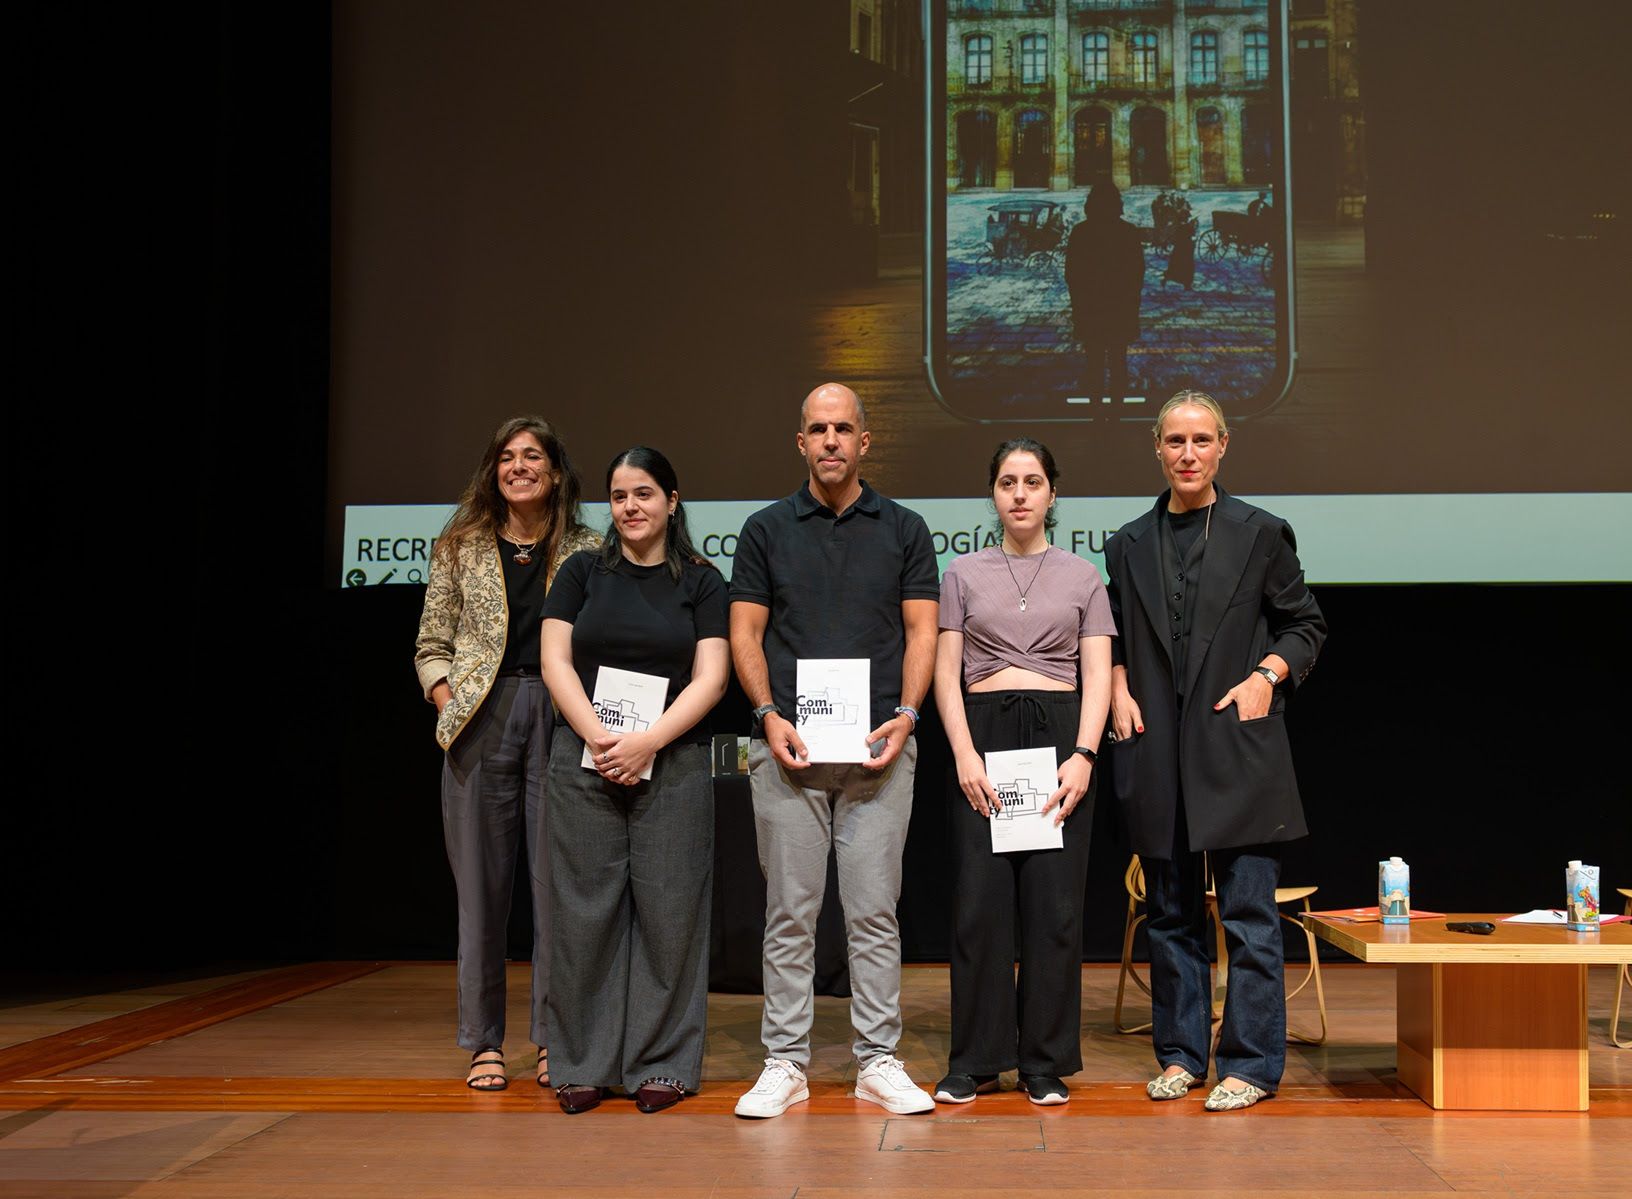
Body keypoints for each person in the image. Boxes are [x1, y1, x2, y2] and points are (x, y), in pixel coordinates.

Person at [1103, 390, 1326, 1112]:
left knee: (1248, 917)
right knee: (1168, 914)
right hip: (1158, 752)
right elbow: (1111, 635)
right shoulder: (1128, 542)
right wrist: (1114, 684)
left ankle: (1253, 1063)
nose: (1188, 453)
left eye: (1201, 439)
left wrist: (1268, 675)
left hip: (1237, 745)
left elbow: (1306, 626)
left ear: (1223, 445)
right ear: (1157, 448)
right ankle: (1180, 1052)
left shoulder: (1260, 532)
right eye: (1175, 440)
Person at [728, 382, 941, 1118]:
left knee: (874, 912)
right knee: (790, 912)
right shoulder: (764, 529)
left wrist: (909, 715)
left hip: (880, 751)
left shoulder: (905, 528)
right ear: (800, 442)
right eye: (816, 428)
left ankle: (876, 1059)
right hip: (787, 750)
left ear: (864, 441)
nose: (829, 440)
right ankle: (784, 1061)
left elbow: (922, 633)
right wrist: (766, 714)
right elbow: (745, 634)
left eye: (842, 428)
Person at [539, 446, 730, 1115]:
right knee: (581, 912)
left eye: (644, 493)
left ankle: (663, 1061)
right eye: (619, 496)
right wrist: (597, 733)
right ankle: (582, 1061)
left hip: (670, 758)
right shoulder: (582, 571)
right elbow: (555, 657)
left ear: (672, 501)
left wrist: (648, 739)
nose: (630, 507)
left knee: (670, 915)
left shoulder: (703, 581)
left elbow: (712, 676)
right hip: (583, 755)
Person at [413, 415, 596, 1091]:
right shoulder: (461, 543)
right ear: (494, 470)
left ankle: (552, 1038)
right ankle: (483, 1041)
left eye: (533, 456)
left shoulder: (585, 546)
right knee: (481, 895)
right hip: (479, 721)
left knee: (556, 892)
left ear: (554, 470)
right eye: (507, 457)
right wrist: (446, 698)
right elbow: (431, 640)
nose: (519, 466)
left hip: (559, 717)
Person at [932, 439, 1114, 1106]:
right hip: (982, 736)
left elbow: (1096, 674)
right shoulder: (961, 573)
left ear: (1052, 493)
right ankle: (975, 1058)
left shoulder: (1083, 576)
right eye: (1007, 481)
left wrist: (1085, 755)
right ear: (993, 493)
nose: (1019, 493)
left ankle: (1043, 1060)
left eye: (1032, 481)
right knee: (979, 905)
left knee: (1053, 907)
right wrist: (962, 753)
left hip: (1059, 739)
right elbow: (943, 674)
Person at [1064, 180, 1145, 401]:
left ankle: (1096, 414)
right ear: (1117, 205)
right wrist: (1131, 309)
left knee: (1094, 363)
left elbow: (1072, 275)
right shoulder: (1128, 233)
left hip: (1091, 311)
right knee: (1119, 362)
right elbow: (1137, 276)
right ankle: (1117, 414)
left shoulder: (1080, 233)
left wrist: (1079, 310)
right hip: (1119, 310)